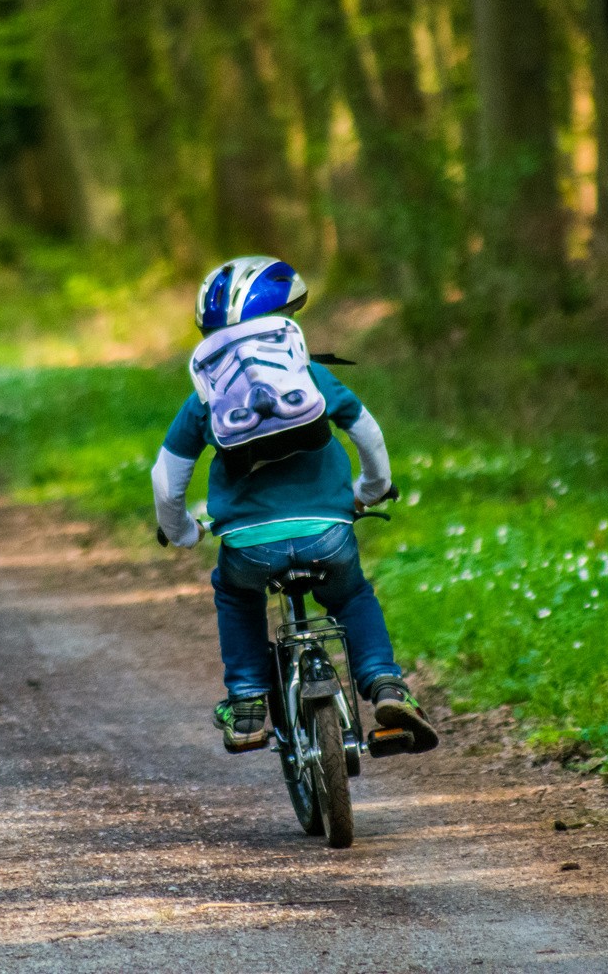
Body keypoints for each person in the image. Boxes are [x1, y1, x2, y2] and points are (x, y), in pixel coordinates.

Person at [152, 256, 439, 755]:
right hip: (326, 533)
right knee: (351, 597)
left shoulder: (207, 394)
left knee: (237, 594)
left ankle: (246, 703)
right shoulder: (308, 376)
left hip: (248, 546)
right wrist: (371, 489)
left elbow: (166, 478)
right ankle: (386, 685)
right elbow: (365, 431)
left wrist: (182, 532)